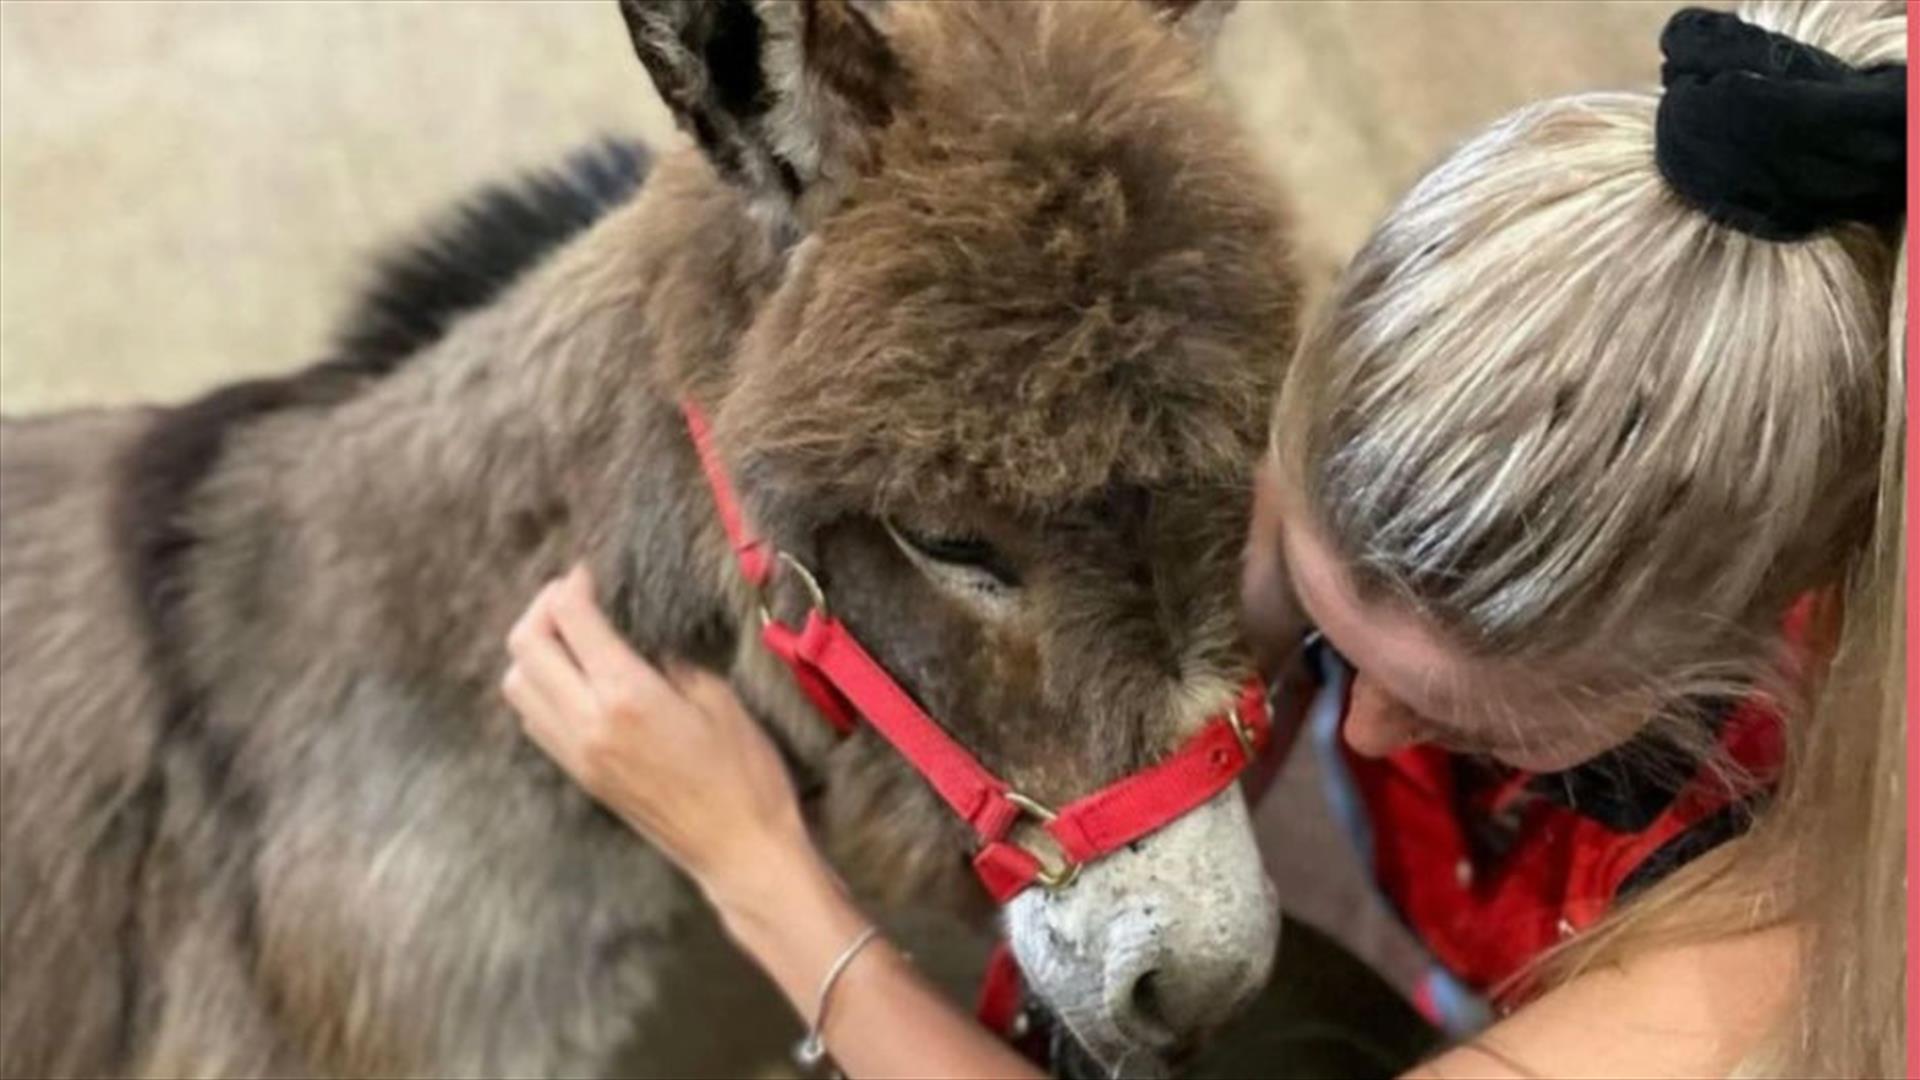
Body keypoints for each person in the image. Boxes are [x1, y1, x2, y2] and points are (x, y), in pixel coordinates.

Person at [502, 3, 1907, 1076]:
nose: (1358, 731)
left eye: (1460, 716)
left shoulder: (1785, 944)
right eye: (1332, 626)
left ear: (1705, 665)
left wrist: (763, 876)